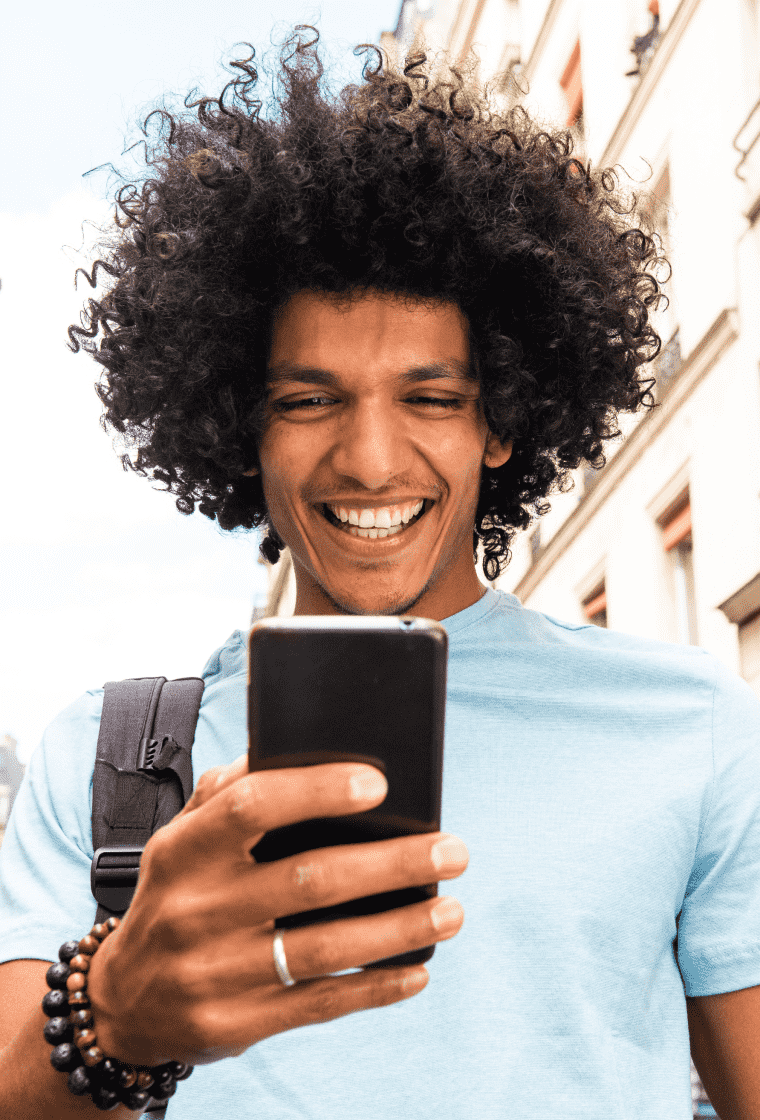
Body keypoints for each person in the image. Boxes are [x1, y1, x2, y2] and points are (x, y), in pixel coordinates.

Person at [1, 26, 760, 1120]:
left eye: (432, 398)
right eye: (308, 399)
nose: (367, 457)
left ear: (501, 422)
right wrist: (113, 1013)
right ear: (241, 425)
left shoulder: (694, 729)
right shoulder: (102, 756)